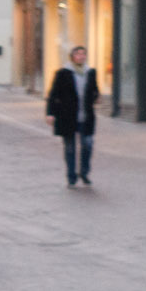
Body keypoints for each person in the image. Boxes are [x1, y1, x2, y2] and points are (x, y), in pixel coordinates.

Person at [46, 46, 100, 187]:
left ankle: (84, 172)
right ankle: (71, 177)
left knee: (87, 144)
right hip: (67, 116)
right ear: (72, 56)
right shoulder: (63, 73)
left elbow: (95, 90)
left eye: (83, 54)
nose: (81, 56)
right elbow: (53, 94)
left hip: (86, 116)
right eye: (78, 54)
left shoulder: (90, 72)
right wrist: (50, 113)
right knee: (70, 147)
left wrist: (95, 97)